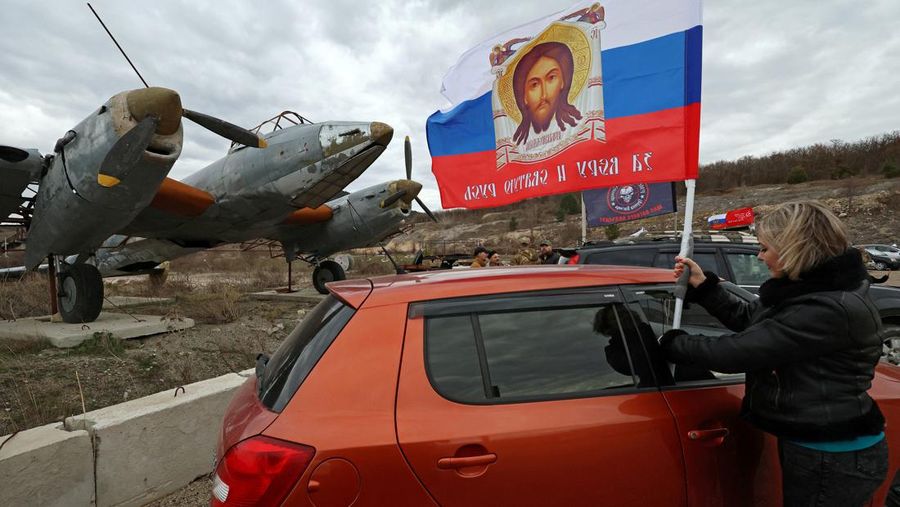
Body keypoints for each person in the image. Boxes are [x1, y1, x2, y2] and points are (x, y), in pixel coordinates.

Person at [659, 201, 888, 507]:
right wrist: (705, 287)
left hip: (834, 455)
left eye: (765, 248)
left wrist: (670, 342)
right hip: (817, 443)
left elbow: (737, 352)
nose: (759, 256)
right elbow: (749, 318)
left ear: (794, 249)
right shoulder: (806, 292)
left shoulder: (829, 308)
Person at [511, 42, 583, 146]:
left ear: (563, 82)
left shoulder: (579, 126)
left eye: (551, 78)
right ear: (524, 97)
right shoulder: (516, 146)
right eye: (534, 85)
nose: (544, 95)